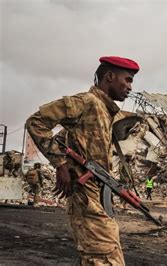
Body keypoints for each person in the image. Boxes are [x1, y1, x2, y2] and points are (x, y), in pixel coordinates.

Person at [26, 56, 140, 265]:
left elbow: (64, 138)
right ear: (110, 76)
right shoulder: (86, 102)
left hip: (96, 194)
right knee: (103, 257)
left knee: (106, 254)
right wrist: (60, 165)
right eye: (128, 80)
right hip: (85, 195)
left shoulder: (106, 111)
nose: (130, 87)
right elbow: (35, 122)